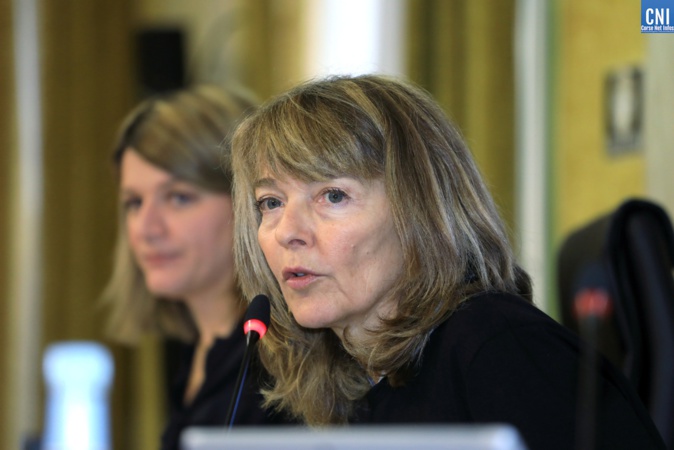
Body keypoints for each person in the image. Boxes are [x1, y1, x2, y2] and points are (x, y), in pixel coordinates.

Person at [230, 74, 666, 450]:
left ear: (421, 209)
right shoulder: (358, 383)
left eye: (333, 195)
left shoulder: (501, 352)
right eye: (271, 202)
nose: (287, 231)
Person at [101, 85, 288, 450]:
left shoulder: (284, 371)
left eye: (179, 197)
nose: (147, 228)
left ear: (248, 202)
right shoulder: (195, 355)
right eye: (134, 203)